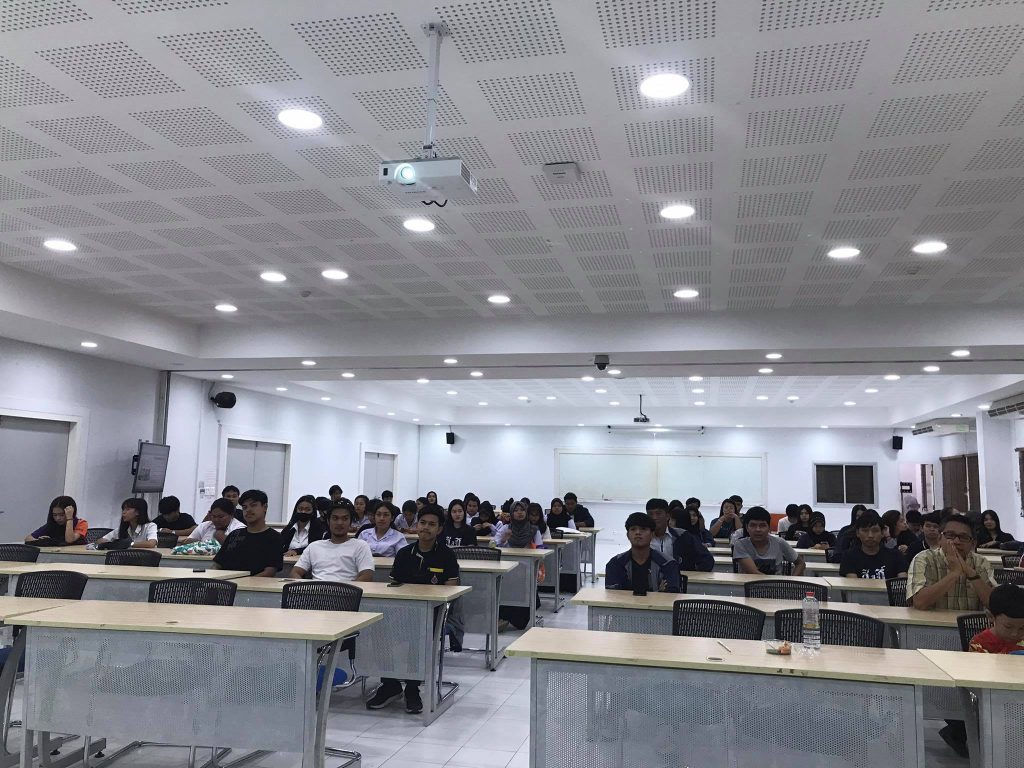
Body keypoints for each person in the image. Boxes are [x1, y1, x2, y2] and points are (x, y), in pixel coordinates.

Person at [367, 506, 459, 715]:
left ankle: (412, 688)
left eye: (432, 524)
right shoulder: (404, 554)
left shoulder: (446, 555)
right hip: (401, 612)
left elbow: (451, 590)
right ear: (417, 525)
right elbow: (394, 587)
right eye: (423, 523)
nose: (426, 528)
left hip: (432, 614)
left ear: (439, 529)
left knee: (419, 633)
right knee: (378, 629)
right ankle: (389, 684)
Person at [907, 513, 996, 611]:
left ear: (973, 544)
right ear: (939, 539)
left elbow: (995, 605)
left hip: (971, 621)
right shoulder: (924, 559)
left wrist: (971, 573)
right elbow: (919, 603)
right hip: (932, 621)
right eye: (950, 535)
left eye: (964, 537)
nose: (956, 541)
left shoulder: (981, 562)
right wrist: (955, 573)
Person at [290, 503, 374, 582]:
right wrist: (304, 589)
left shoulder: (360, 546)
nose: (339, 523)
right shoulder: (314, 546)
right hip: (316, 590)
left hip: (347, 591)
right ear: (328, 521)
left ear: (350, 522)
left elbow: (367, 576)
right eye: (335, 518)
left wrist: (347, 591)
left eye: (345, 519)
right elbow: (295, 572)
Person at [605, 512, 682, 593]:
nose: (638, 532)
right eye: (633, 529)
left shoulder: (667, 563)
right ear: (628, 535)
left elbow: (670, 595)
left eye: (643, 529)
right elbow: (613, 595)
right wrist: (658, 592)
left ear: (652, 535)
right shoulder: (616, 563)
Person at [213, 489, 283, 577]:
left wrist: (242, 582)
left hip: (254, 584)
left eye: (253, 505)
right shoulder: (235, 534)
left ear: (265, 507)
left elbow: (269, 572)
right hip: (226, 583)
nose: (248, 510)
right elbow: (217, 564)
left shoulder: (274, 537)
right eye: (244, 507)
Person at [733, 506, 805, 576]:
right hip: (749, 584)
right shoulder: (741, 544)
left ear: (769, 528)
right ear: (747, 527)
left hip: (777, 584)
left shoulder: (779, 542)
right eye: (753, 525)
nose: (758, 529)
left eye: (762, 525)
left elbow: (800, 563)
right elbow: (754, 573)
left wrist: (791, 581)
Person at [646, 498, 714, 571]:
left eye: (658, 513)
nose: (654, 518)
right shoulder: (643, 538)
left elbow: (708, 560)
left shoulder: (682, 535)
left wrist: (688, 570)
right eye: (650, 514)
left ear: (667, 516)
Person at [839, 510, 907, 579]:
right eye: (865, 531)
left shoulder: (896, 556)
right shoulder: (849, 557)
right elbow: (853, 584)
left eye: (875, 531)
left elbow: (902, 583)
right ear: (857, 533)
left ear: (882, 533)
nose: (870, 535)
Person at [967, 583, 1024, 653]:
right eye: (1008, 627)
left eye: (1022, 628)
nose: (1015, 633)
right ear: (991, 616)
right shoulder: (979, 644)